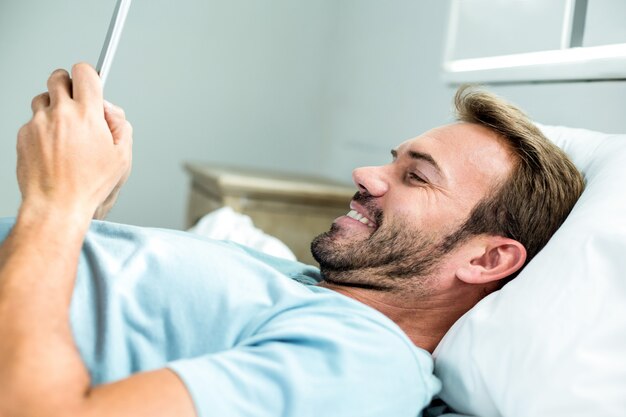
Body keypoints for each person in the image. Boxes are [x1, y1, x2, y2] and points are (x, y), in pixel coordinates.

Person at [0, 63, 584, 417]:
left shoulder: (363, 366)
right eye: (392, 160)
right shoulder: (305, 287)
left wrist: (57, 201)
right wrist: (89, 207)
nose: (366, 176)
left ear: (487, 258)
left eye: (416, 177)